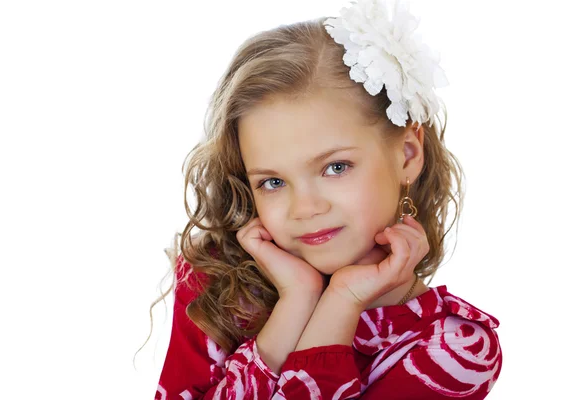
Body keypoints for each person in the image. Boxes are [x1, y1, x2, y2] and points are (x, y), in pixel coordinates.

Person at [144, 0, 502, 398]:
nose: (305, 209)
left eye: (336, 168)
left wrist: (340, 303)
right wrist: (297, 301)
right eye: (273, 182)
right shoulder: (213, 285)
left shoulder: (455, 349)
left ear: (407, 155)